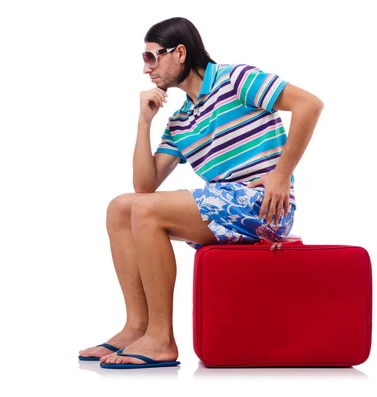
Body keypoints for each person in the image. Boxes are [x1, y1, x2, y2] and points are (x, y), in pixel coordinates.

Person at [78, 17, 324, 368]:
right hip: (221, 206)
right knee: (121, 207)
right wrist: (144, 121)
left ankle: (161, 340)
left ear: (179, 53)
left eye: (151, 57)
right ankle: (137, 327)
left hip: (263, 206)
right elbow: (144, 187)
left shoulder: (235, 79)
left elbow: (309, 105)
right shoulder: (181, 120)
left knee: (146, 210)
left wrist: (281, 175)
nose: (146, 69)